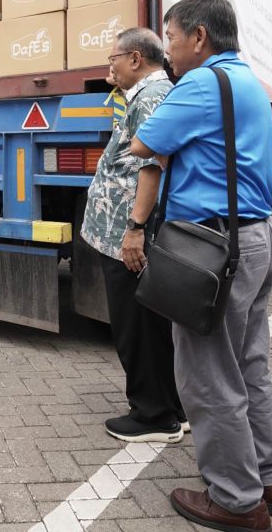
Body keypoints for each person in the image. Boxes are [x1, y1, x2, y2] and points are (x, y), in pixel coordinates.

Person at [129, 0, 272, 531]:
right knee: (250, 369)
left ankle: (237, 501)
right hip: (256, 237)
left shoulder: (200, 83)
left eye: (171, 39)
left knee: (207, 377)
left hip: (215, 248)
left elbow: (142, 146)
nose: (167, 51)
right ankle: (269, 480)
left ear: (199, 37)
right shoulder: (245, 81)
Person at [80, 28, 187, 444]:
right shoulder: (148, 94)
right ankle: (171, 406)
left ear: (136, 58)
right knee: (149, 323)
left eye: (114, 59)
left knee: (135, 324)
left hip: (127, 234)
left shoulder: (152, 96)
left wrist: (135, 231)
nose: (110, 68)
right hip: (124, 230)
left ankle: (153, 415)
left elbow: (153, 166)